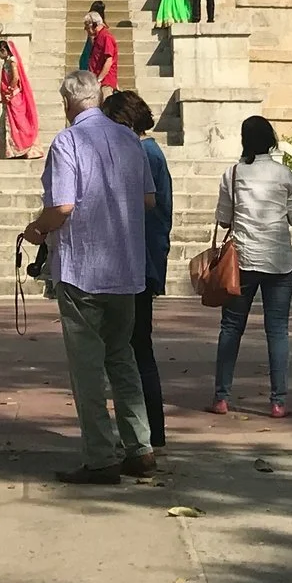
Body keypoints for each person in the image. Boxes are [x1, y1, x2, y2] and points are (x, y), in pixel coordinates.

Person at [20, 69, 155, 484]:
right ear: (98, 96)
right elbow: (149, 200)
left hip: (84, 269)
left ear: (66, 101)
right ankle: (140, 445)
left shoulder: (68, 141)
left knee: (88, 367)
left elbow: (62, 207)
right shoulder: (130, 140)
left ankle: (100, 456)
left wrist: (35, 229)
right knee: (122, 357)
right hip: (126, 268)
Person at [210, 115, 292, 418]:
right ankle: (278, 401)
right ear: (271, 140)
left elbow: (224, 219)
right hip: (279, 261)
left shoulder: (234, 173)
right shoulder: (285, 175)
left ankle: (221, 398)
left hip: (243, 260)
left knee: (230, 328)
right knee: (277, 331)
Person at [102, 87, 171, 450]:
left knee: (134, 351)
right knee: (138, 349)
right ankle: (149, 432)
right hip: (145, 261)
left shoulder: (142, 155)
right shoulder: (152, 153)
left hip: (135, 264)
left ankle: (145, 432)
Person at [0, 38, 39, 158]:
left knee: (18, 122)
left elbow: (15, 78)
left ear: (3, 50)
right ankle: (13, 149)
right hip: (12, 96)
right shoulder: (7, 61)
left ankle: (20, 147)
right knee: (12, 121)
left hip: (14, 96)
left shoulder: (12, 61)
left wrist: (10, 90)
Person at [78, 4, 120, 89]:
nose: (85, 29)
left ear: (94, 25)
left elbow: (109, 60)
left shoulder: (106, 37)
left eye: (87, 27)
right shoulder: (97, 38)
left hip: (105, 84)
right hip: (97, 83)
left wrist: (99, 79)